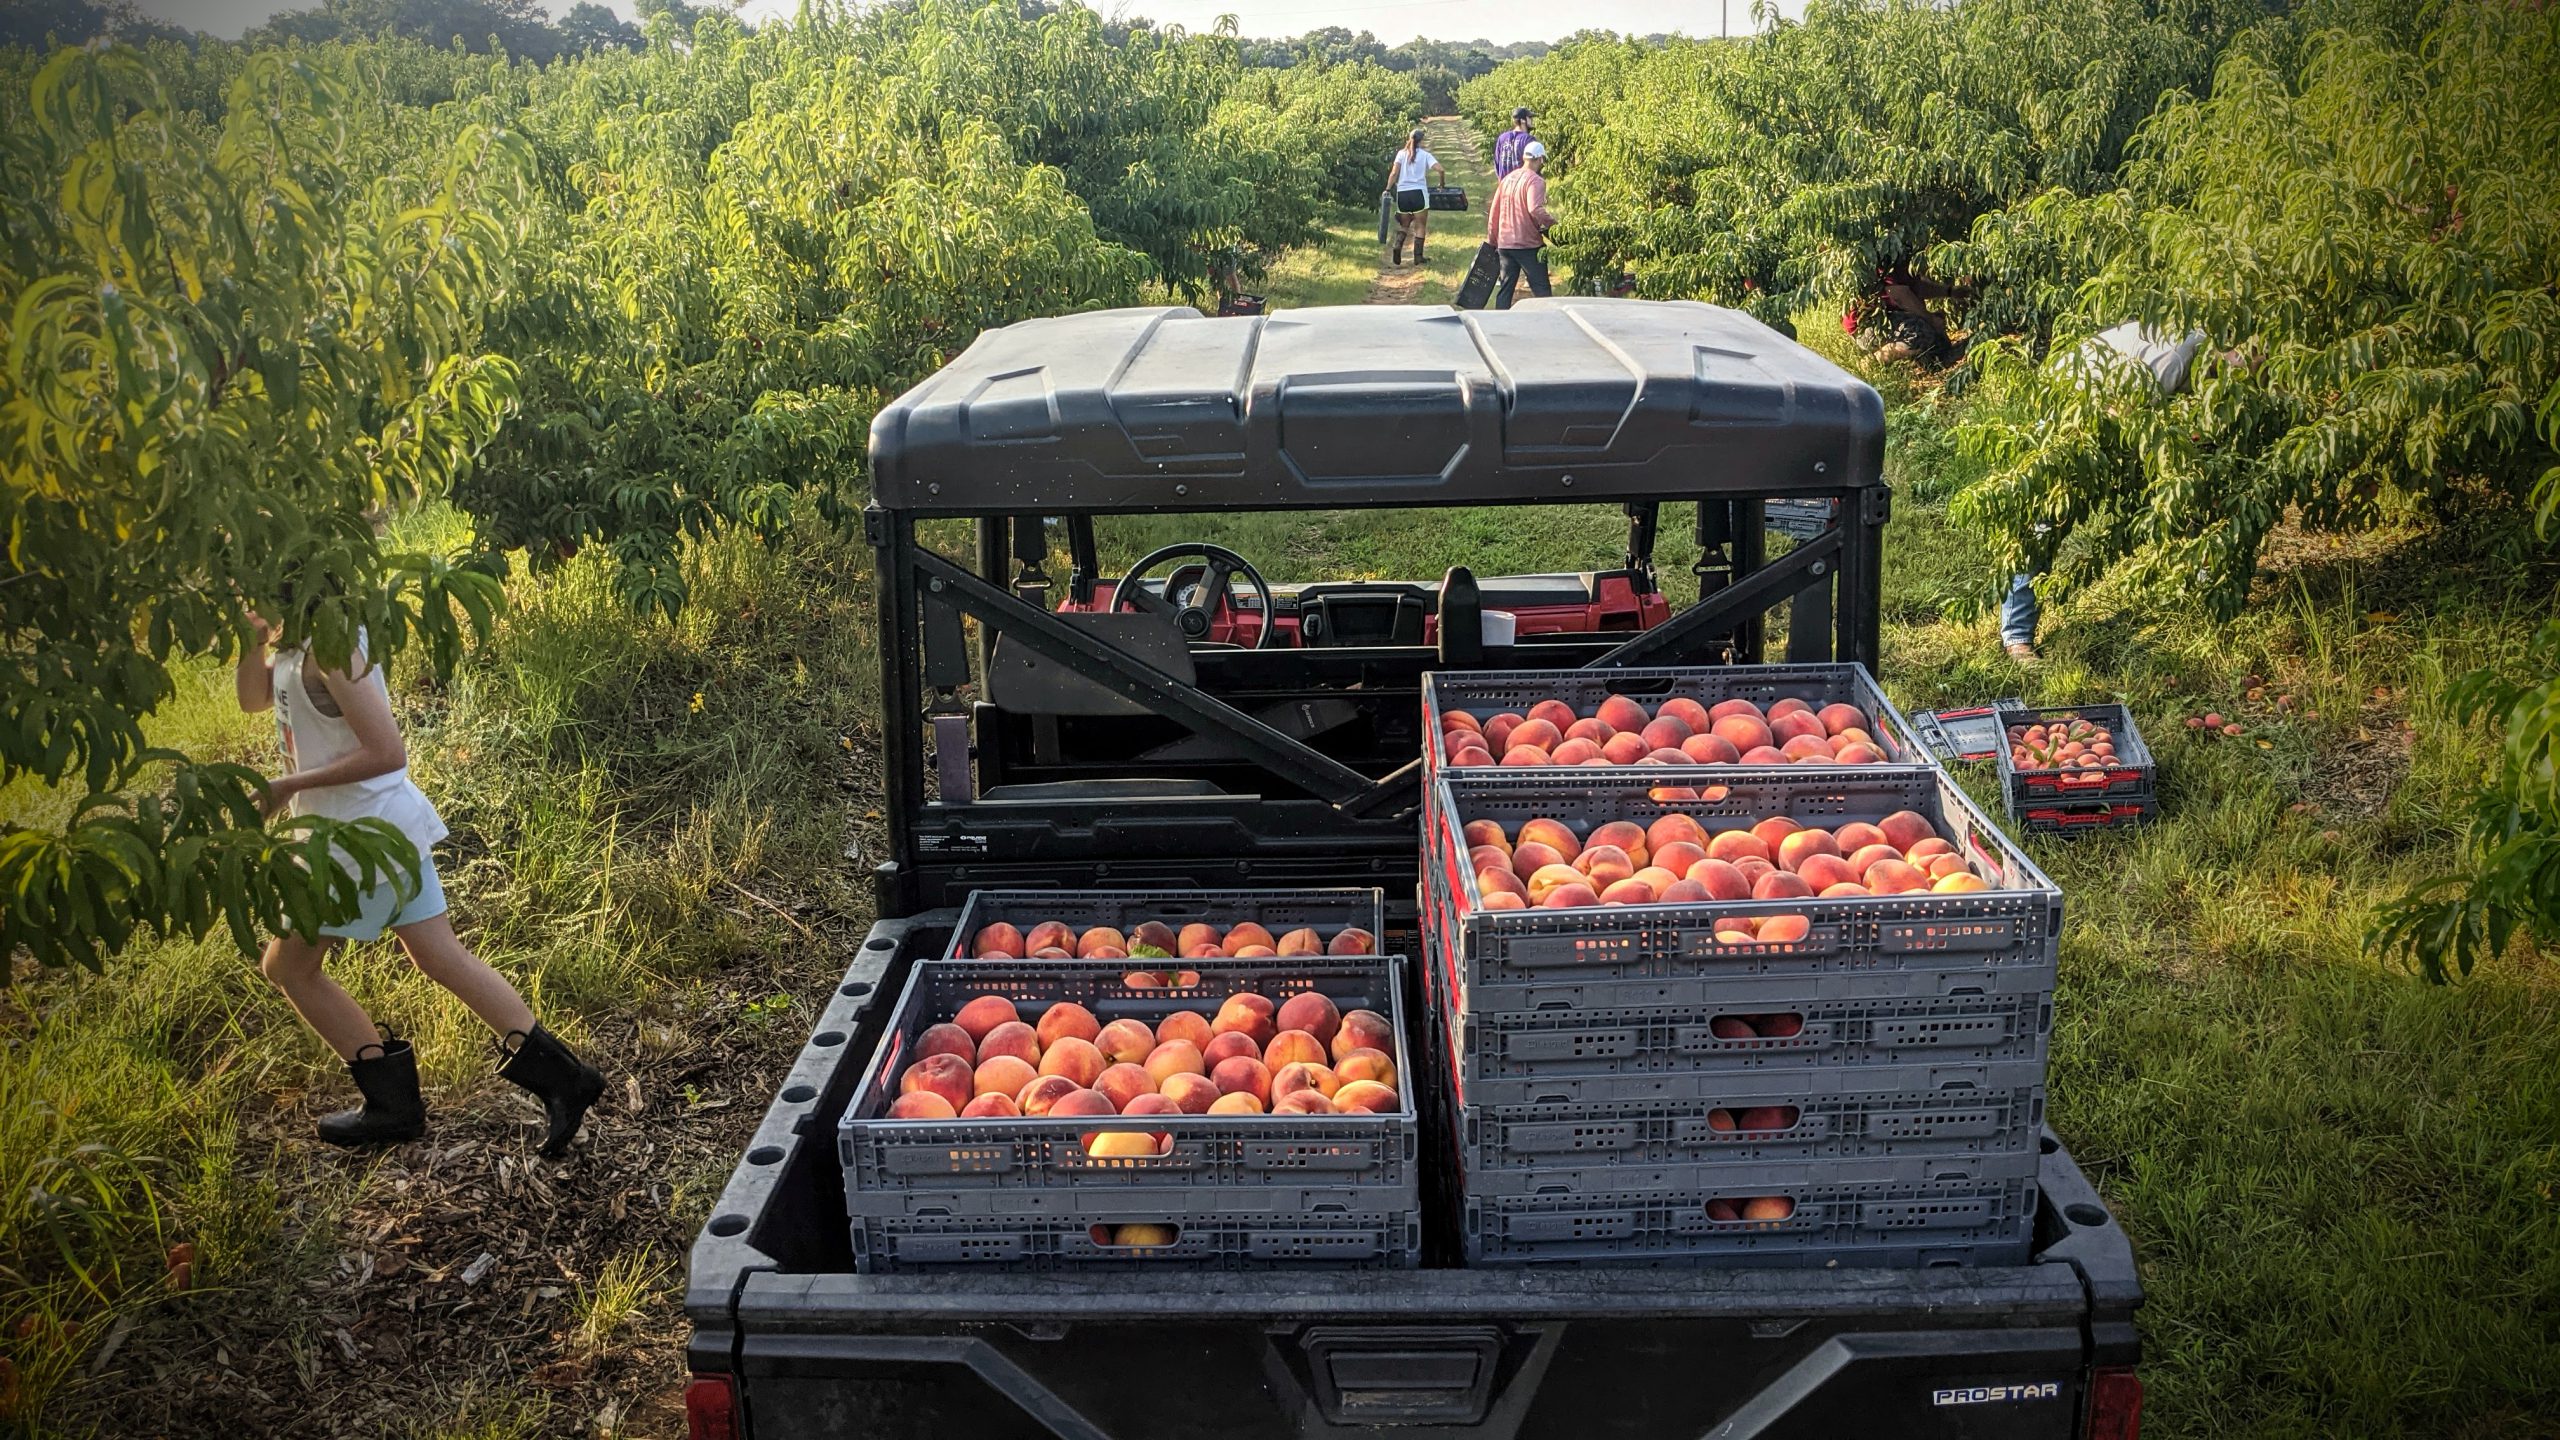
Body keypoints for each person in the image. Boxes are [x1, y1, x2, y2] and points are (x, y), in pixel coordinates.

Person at [239, 614, 607, 1155]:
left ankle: (393, 1108)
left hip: (356, 838)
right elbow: (254, 699)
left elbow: (387, 751)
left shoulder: (334, 646)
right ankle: (566, 1080)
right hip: (375, 827)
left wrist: (289, 784)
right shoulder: (298, 643)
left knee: (290, 967)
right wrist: (251, 641)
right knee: (438, 955)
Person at [1484, 139, 1555, 309]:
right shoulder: (1535, 181)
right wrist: (1554, 225)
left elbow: (1495, 211)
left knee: (1506, 289)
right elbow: (1535, 209)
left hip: (1505, 243)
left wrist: (1493, 240)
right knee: (1542, 290)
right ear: (1540, 160)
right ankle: (1549, 322)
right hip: (1528, 244)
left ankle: (1500, 323)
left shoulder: (1508, 178)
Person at [1385, 128, 1440, 266]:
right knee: (1420, 225)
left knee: (1404, 224)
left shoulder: (1401, 154)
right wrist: (1442, 183)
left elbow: (1394, 173)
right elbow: (1441, 169)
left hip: (1403, 193)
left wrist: (1387, 188)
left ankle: (1398, 246)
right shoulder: (1425, 155)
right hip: (1419, 193)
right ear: (1421, 140)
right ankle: (1418, 257)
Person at [1493, 106, 1535, 178]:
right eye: (1529, 118)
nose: (1531, 120)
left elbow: (1497, 164)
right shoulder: (1528, 140)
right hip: (1522, 185)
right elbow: (1533, 166)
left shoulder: (1502, 138)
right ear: (1523, 120)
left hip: (1504, 185)